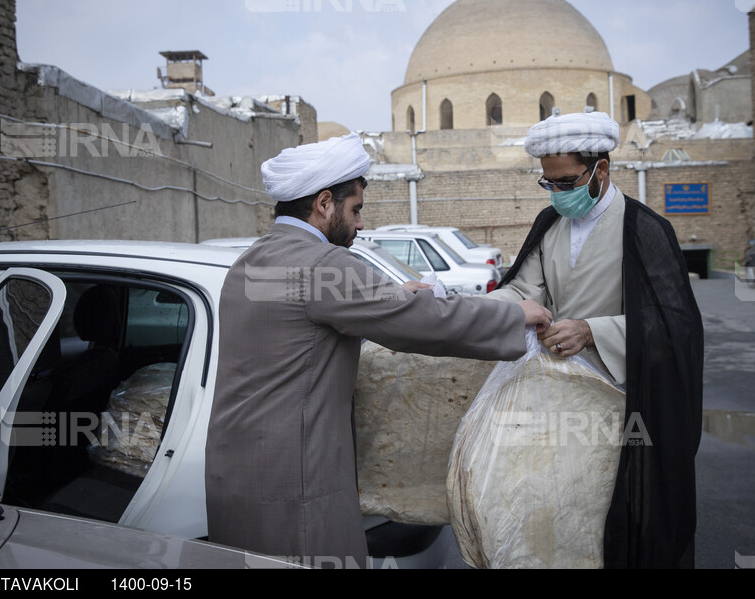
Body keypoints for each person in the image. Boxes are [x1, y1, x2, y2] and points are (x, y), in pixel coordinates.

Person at [205, 132, 551, 568]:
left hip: (236, 473)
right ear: (324, 203)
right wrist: (514, 315)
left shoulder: (252, 260)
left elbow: (304, 327)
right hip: (296, 484)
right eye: (356, 210)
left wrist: (392, 294)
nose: (362, 225)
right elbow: (423, 323)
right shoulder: (323, 265)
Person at [486, 110, 703, 568]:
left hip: (623, 405)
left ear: (601, 169)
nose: (558, 193)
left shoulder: (645, 230)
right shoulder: (550, 224)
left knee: (619, 517)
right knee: (561, 513)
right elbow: (524, 291)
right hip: (556, 399)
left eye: (567, 182)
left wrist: (592, 331)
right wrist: (470, 308)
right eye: (549, 184)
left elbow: (675, 325)